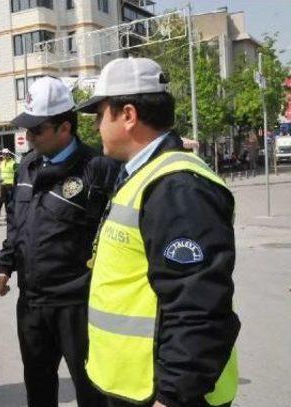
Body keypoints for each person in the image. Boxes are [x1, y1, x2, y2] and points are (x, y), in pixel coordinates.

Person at [76, 57, 240, 407]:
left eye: (100, 114)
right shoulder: (144, 175)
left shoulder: (177, 187)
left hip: (163, 395)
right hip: (136, 386)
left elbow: (198, 304)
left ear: (129, 115)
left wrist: (173, 395)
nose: (95, 127)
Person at [0, 76, 119, 407]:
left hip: (77, 304)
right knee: (38, 387)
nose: (29, 136)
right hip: (32, 303)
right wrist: (6, 264)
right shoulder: (27, 166)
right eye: (27, 129)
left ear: (65, 128)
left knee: (91, 391)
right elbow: (16, 221)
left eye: (37, 130)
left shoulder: (98, 169)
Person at [0, 149, 17, 216]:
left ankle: (8, 214)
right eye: (3, 154)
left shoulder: (13, 163)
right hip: (3, 184)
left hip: (10, 184)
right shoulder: (2, 162)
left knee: (9, 200)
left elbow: (17, 174)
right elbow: (1, 172)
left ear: (8, 154)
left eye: (5, 154)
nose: (4, 155)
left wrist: (15, 183)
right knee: (2, 199)